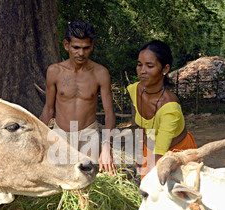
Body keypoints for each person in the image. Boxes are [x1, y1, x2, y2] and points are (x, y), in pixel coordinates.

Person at [40, 20, 116, 175]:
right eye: (76, 47)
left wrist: (107, 146)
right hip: (60, 133)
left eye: (85, 48)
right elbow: (48, 108)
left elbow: (109, 114)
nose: (81, 53)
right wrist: (39, 139)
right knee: (59, 179)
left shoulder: (100, 73)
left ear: (92, 46)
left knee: (87, 180)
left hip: (88, 133)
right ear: (67, 45)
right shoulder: (54, 71)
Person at [127, 40, 197, 180]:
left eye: (150, 66)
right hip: (151, 148)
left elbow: (160, 153)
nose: (142, 71)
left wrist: (147, 172)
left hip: (177, 153)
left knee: (176, 192)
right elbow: (142, 127)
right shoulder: (135, 90)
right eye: (139, 65)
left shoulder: (170, 107)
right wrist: (141, 156)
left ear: (165, 69)